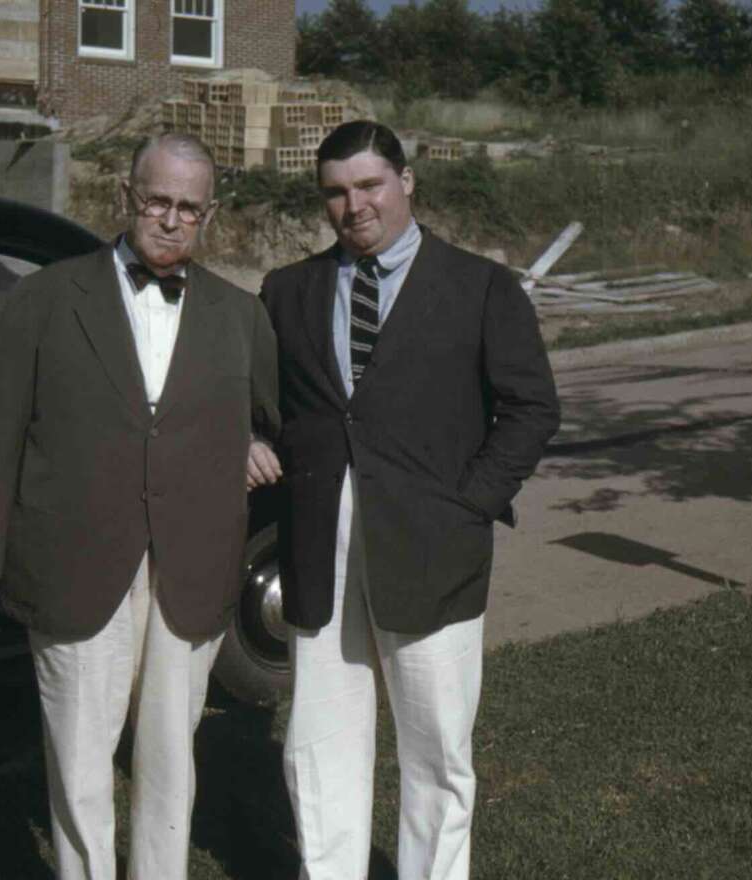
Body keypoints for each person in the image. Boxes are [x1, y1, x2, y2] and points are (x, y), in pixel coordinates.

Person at [0, 132, 282, 880]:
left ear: (209, 215)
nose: (171, 219)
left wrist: (255, 440)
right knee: (79, 757)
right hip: (73, 562)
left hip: (191, 570)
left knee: (170, 759)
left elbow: (279, 420)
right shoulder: (44, 299)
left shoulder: (239, 315)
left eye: (189, 208)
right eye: (157, 201)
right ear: (127, 197)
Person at [260, 120, 560, 880]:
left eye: (370, 185)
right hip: (319, 550)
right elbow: (265, 404)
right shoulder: (287, 291)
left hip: (435, 551)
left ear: (406, 182)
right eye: (336, 192)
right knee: (317, 745)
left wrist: (470, 504)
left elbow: (531, 408)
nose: (354, 205)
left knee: (435, 752)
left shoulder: (481, 288)